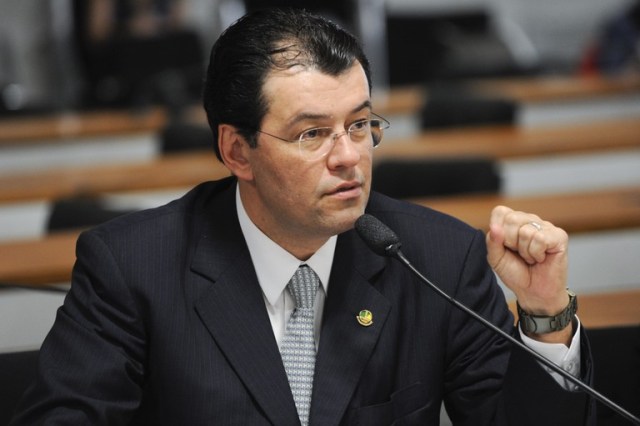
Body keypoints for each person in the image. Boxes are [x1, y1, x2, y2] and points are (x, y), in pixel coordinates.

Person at [11, 8, 594, 425]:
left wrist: (545, 317)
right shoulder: (133, 267)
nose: (349, 157)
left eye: (361, 125)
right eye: (312, 133)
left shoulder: (437, 259)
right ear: (238, 151)